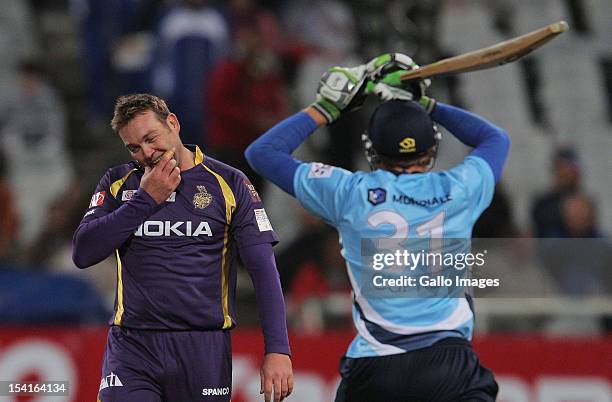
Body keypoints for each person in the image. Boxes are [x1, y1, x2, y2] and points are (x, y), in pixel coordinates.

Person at [245, 54, 510, 401]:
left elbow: (262, 152)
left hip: (375, 366)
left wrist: (326, 107)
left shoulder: (349, 194)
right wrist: (425, 103)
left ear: (372, 150)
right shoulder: (460, 189)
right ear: (431, 148)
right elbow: (495, 139)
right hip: (449, 364)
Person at [72, 94, 292, 402]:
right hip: (132, 346)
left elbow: (264, 270)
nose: (146, 153)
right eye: (134, 147)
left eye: (151, 138)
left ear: (173, 123)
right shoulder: (119, 183)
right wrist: (145, 201)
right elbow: (83, 253)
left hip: (203, 349)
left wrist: (278, 350)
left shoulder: (229, 183)